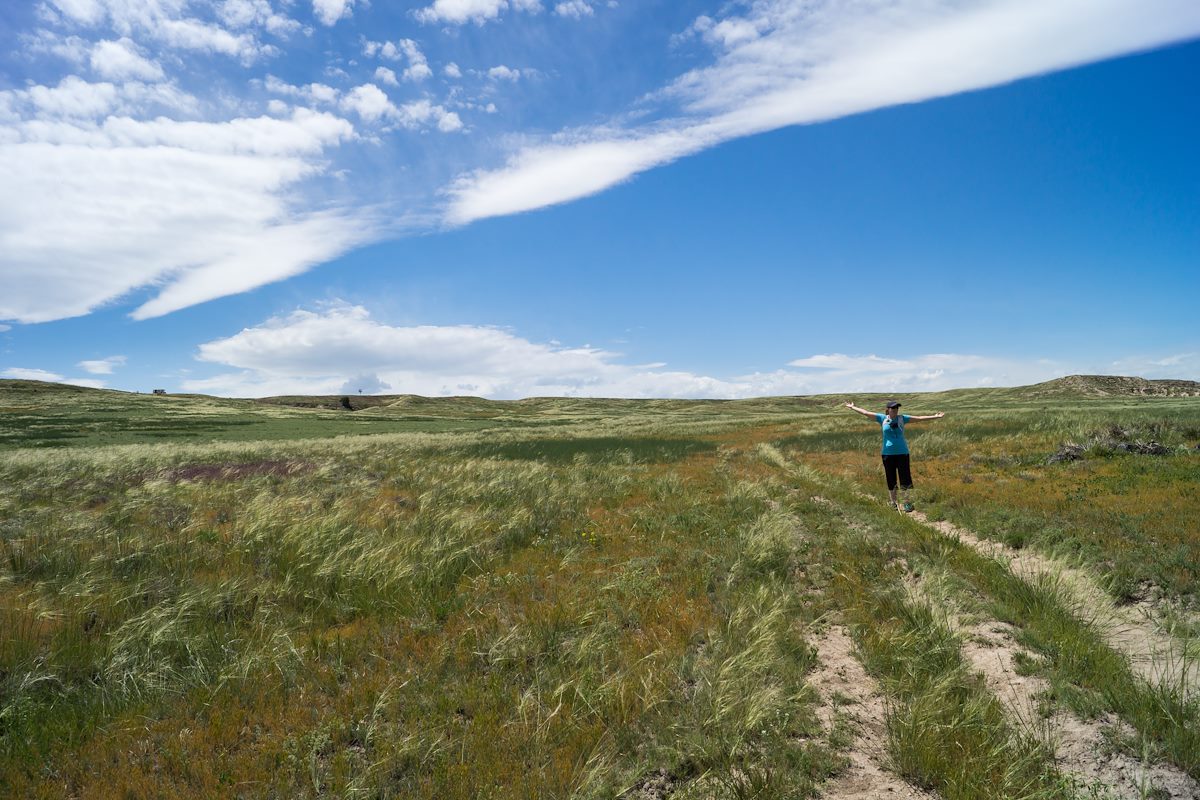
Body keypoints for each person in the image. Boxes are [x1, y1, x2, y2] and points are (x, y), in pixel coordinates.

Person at [844, 399, 945, 512]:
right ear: (888, 410)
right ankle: (893, 503)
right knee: (891, 478)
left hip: (902, 453)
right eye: (893, 408)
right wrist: (852, 407)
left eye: (897, 408)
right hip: (888, 454)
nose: (895, 410)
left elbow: (919, 418)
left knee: (905, 478)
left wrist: (936, 416)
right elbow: (866, 413)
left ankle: (907, 503)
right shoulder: (882, 418)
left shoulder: (902, 418)